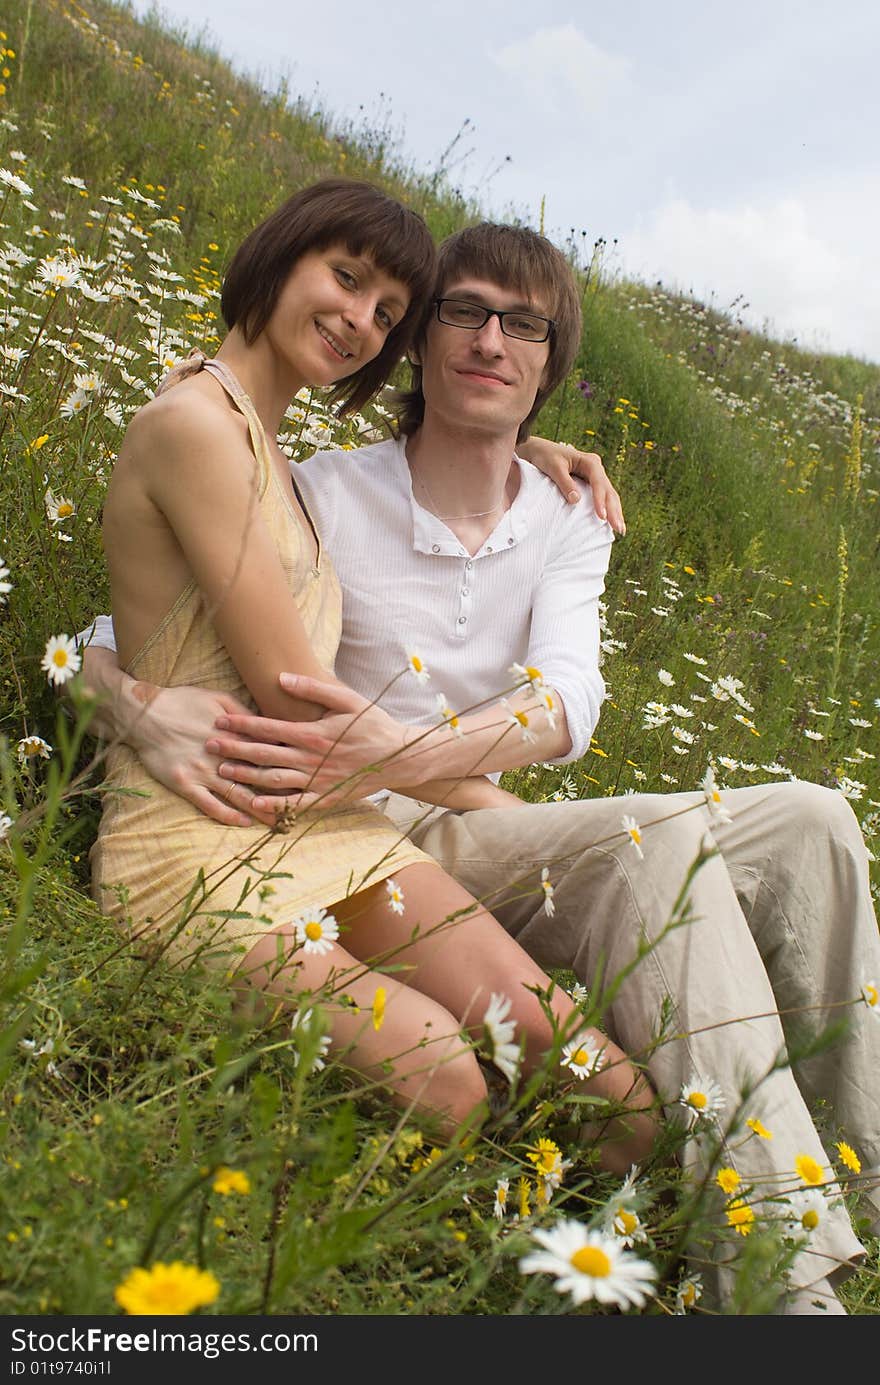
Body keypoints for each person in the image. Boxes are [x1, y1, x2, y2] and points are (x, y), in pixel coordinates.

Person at [83, 215, 880, 1313]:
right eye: (461, 310)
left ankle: (863, 1163)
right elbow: (143, 610)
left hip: (473, 816)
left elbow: (570, 698)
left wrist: (413, 748)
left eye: (524, 325)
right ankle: (784, 1279)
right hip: (366, 822)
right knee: (666, 847)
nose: (488, 340)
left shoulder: (568, 510)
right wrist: (120, 697)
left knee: (815, 813)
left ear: (550, 365)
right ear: (422, 342)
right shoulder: (322, 483)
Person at [86, 178, 656, 1168]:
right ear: (279, 255)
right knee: (450, 1075)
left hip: (323, 820)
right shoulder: (197, 426)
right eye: (344, 280)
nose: (359, 320)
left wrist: (524, 445)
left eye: (388, 312)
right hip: (197, 834)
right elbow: (298, 705)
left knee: (606, 1082)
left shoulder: (278, 454)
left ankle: (654, 1265)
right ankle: (454, 1249)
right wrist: (506, 815)